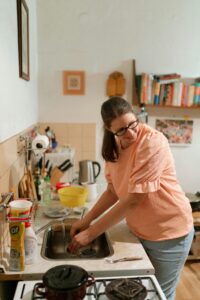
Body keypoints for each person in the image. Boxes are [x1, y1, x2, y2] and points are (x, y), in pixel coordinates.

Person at [68, 97, 194, 300]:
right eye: (121, 130)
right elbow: (113, 190)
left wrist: (90, 233)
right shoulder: (115, 148)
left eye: (132, 124)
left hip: (170, 232)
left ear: (136, 117)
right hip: (139, 231)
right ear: (110, 130)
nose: (131, 133)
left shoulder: (152, 141)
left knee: (158, 294)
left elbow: (135, 199)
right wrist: (86, 220)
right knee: (139, 293)